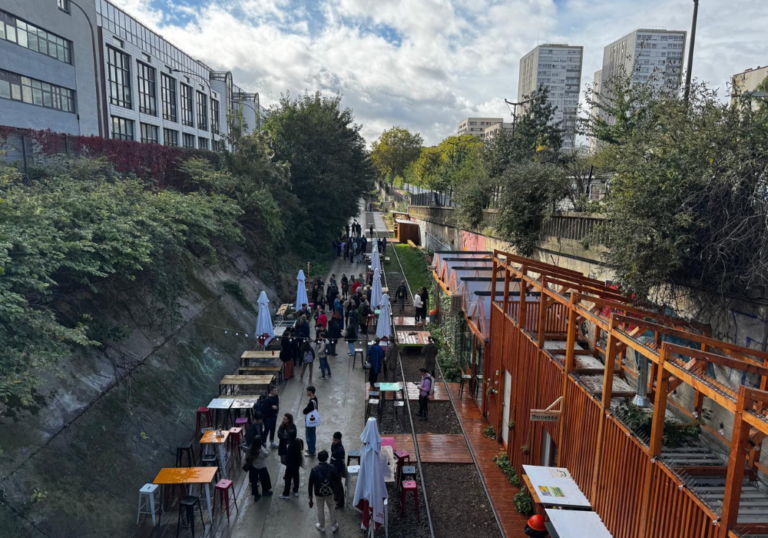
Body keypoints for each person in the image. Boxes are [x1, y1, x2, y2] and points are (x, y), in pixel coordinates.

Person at [308, 450, 340, 533]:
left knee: (320, 508)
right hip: (329, 491)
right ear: (327, 457)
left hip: (318, 492)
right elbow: (337, 478)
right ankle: (333, 525)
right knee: (331, 506)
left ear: (318, 458)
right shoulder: (331, 468)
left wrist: (310, 496)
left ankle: (322, 526)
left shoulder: (314, 469)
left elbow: (310, 484)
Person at [245, 435, 273, 500]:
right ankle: (265, 491)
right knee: (265, 479)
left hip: (253, 466)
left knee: (254, 482)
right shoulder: (260, 450)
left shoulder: (251, 447)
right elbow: (266, 454)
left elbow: (247, 455)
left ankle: (256, 495)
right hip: (261, 466)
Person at [279, 430, 303, 499]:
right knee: (296, 477)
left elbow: (288, 456)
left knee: (288, 478)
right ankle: (295, 490)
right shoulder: (298, 441)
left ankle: (286, 494)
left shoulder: (290, 445)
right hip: (297, 464)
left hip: (290, 465)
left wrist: (288, 463)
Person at [330, 432, 346, 508]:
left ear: (339, 440)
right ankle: (336, 498)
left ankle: (340, 503)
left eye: (335, 440)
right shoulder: (334, 445)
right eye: (333, 439)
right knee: (334, 485)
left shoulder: (340, 450)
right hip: (333, 468)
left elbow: (339, 463)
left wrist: (335, 472)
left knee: (338, 486)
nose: (333, 441)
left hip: (337, 471)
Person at [303, 386, 319, 456]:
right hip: (313, 420)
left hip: (310, 421)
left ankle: (311, 451)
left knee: (309, 436)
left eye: (307, 391)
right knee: (312, 434)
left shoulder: (311, 402)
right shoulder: (315, 398)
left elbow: (306, 410)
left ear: (310, 392)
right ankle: (311, 448)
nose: (307, 392)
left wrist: (304, 410)